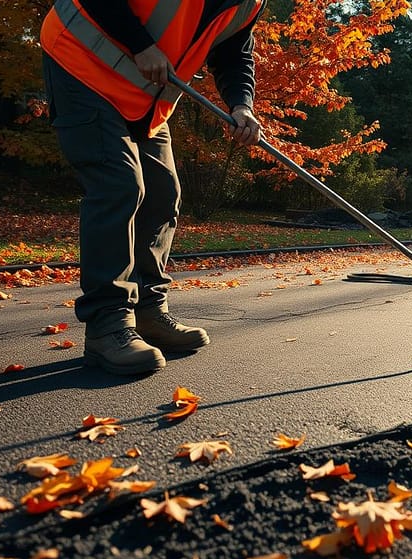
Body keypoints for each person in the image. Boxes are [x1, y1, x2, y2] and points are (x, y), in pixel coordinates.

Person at [40, 0, 264, 375]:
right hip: (81, 64)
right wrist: (141, 44)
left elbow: (234, 53)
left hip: (146, 97)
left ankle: (148, 310)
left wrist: (242, 105)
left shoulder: (250, 3)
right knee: (119, 186)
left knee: (162, 192)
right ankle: (107, 325)